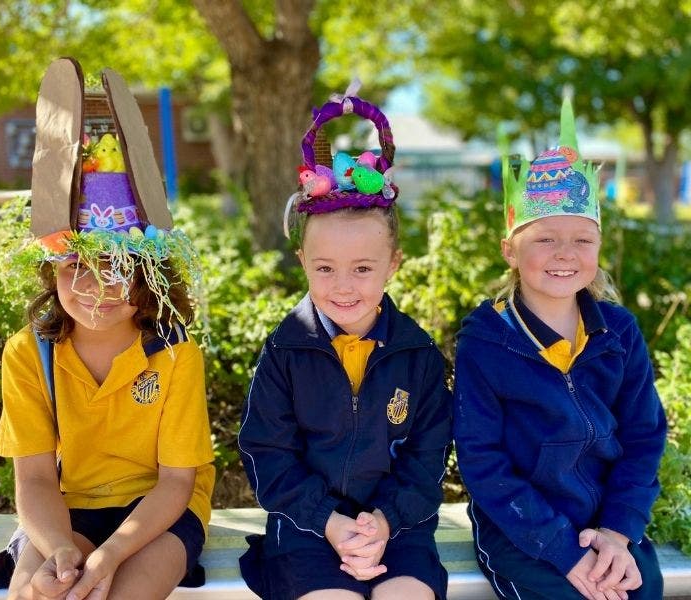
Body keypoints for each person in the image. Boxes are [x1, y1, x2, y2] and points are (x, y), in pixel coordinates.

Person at [0, 58, 214, 600]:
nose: (95, 287)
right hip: (64, 510)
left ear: (146, 274)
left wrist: (109, 556)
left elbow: (175, 483)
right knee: (35, 593)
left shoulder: (174, 352)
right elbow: (37, 480)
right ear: (52, 272)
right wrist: (65, 551)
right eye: (75, 268)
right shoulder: (29, 353)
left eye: (116, 268)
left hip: (159, 511)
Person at [237, 90, 452, 600]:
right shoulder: (285, 353)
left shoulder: (416, 355)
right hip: (307, 529)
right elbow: (268, 454)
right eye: (325, 268)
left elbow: (427, 457)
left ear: (393, 265)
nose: (344, 286)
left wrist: (384, 521)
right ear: (302, 261)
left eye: (363, 268)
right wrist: (330, 523)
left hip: (397, 530)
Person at [453, 97, 667, 600]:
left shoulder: (617, 333)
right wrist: (565, 552)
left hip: (608, 524)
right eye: (545, 239)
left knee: (643, 589)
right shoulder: (487, 341)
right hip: (523, 530)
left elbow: (643, 438)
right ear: (510, 248)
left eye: (582, 240)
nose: (566, 254)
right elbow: (483, 463)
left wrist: (618, 532)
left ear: (599, 245)